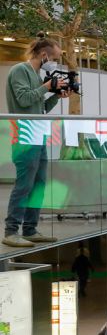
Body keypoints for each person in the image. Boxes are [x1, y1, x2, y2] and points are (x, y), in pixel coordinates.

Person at [4, 38, 69, 248]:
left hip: (38, 135)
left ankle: (30, 229)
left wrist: (56, 95)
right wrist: (47, 87)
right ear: (44, 55)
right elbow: (23, 100)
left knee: (39, 184)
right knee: (24, 185)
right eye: (55, 58)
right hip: (24, 137)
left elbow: (39, 109)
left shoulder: (36, 75)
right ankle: (11, 231)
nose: (55, 63)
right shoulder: (19, 70)